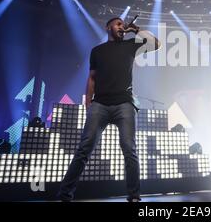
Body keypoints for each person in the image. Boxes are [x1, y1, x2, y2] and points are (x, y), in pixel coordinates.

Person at [58, 17, 160, 202]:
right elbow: (92, 78)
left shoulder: (131, 45)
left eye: (123, 24)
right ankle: (65, 195)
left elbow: (155, 44)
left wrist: (136, 29)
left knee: (129, 149)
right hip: (100, 105)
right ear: (108, 28)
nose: (122, 27)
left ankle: (134, 196)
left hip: (124, 104)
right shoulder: (97, 51)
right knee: (84, 150)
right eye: (118, 24)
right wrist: (88, 101)